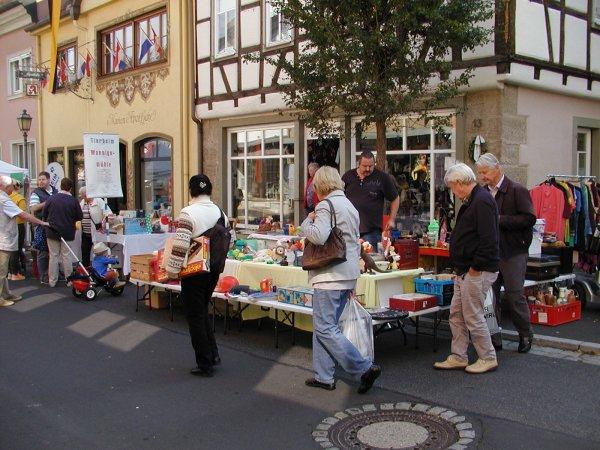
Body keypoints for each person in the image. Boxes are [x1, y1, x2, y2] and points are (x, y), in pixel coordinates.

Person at [301, 166, 381, 394]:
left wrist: (307, 222)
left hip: (329, 275)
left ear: (320, 184)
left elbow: (318, 235)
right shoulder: (349, 205)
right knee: (325, 327)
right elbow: (354, 243)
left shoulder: (325, 205)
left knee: (325, 328)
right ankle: (323, 376)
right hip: (346, 274)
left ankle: (364, 368)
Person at [434, 163, 500, 374]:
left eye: (454, 187)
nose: (454, 192)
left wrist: (475, 268)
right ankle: (458, 355)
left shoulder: (481, 201)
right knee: (457, 314)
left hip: (476, 270)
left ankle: (487, 356)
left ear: (461, 183)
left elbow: (488, 239)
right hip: (465, 270)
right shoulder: (473, 201)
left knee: (472, 315)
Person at [166, 174, 227, 378]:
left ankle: (205, 363)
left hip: (193, 271)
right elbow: (229, 240)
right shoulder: (221, 212)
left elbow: (181, 245)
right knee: (202, 310)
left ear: (191, 191)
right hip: (213, 271)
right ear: (210, 190)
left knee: (195, 315)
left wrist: (172, 270)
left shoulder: (188, 212)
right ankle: (213, 353)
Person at [476, 153, 536, 353]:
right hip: (491, 252)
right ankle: (494, 337)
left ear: (497, 168)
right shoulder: (483, 192)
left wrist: (500, 219)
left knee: (514, 294)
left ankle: (525, 334)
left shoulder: (517, 190)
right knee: (489, 298)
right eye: (480, 173)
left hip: (513, 251)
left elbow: (529, 219)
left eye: (485, 172)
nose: (482, 176)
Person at [0, 176, 49, 306]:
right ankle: (1, 298)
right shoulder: (4, 200)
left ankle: (5, 293)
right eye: (12, 186)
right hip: (3, 239)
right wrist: (41, 222)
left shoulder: (4, 198)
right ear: (5, 187)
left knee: (3, 271)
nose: (14, 188)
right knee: (1, 270)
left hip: (4, 237)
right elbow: (23, 214)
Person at [342, 151, 399, 249]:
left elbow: (395, 198)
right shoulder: (348, 176)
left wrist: (392, 219)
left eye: (371, 166)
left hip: (372, 231)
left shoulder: (382, 177)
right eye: (364, 166)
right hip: (349, 230)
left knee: (370, 261)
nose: (368, 169)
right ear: (359, 163)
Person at [43, 178, 83, 288]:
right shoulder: (73, 201)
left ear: (60, 186)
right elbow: (79, 216)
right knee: (66, 256)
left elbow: (44, 214)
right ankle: (69, 280)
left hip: (52, 231)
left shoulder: (51, 199)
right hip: (68, 232)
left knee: (53, 256)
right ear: (70, 188)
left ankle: (52, 281)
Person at [29, 171, 57, 284]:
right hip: (41, 224)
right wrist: (48, 202)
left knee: (54, 252)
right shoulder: (36, 193)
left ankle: (53, 273)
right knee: (43, 251)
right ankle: (43, 276)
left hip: (54, 224)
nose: (40, 182)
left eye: (43, 179)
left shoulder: (55, 191)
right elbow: (34, 208)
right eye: (39, 180)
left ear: (49, 180)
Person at [79, 187, 112, 267]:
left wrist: (103, 224)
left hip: (97, 232)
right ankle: (87, 272)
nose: (81, 197)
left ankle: (100, 270)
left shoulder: (99, 201)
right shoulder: (82, 202)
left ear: (87, 195)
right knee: (85, 253)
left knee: (99, 252)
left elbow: (109, 214)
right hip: (85, 233)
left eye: (83, 196)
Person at [8, 179, 27, 280]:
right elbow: (23, 214)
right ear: (18, 187)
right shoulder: (20, 198)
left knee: (9, 249)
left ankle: (10, 272)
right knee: (17, 249)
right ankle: (15, 273)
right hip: (18, 225)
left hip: (8, 226)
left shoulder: (6, 197)